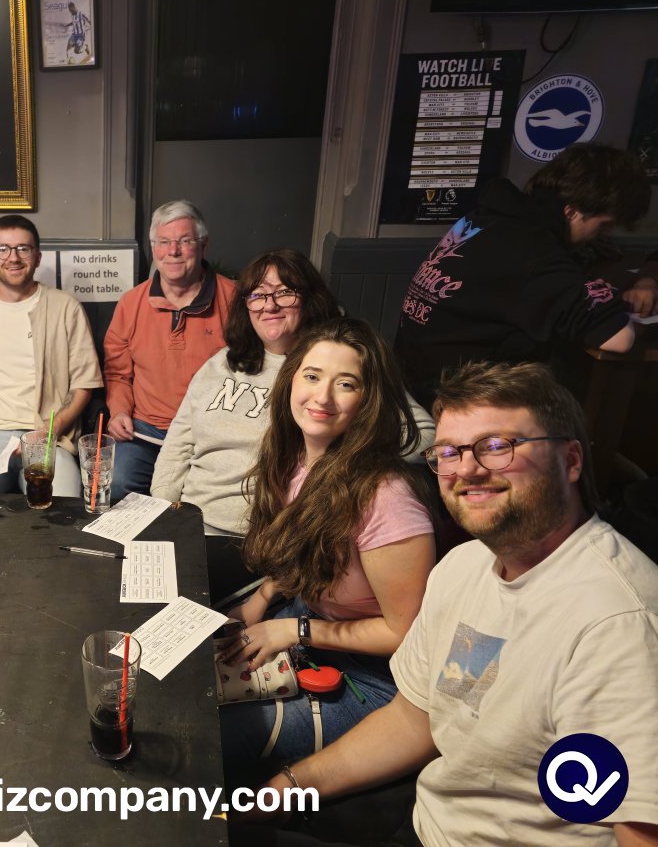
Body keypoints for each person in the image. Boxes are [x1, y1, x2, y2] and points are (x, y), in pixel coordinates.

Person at [251, 361, 658, 846]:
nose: (466, 469)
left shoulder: (618, 623)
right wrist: (286, 789)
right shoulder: (466, 565)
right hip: (428, 815)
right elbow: (416, 718)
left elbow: (638, 831)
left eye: (497, 446)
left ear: (571, 460)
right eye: (448, 452)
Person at [218, 317, 435, 777]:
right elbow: (302, 551)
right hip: (312, 622)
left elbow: (405, 634)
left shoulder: (387, 498)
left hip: (375, 676)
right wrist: (263, 598)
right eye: (313, 376)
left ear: (369, 401)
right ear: (291, 379)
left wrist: (292, 630)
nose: (322, 397)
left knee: (213, 734)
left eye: (346, 384)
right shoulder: (295, 456)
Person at [395, 143, 652, 410]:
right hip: (454, 404)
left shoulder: (487, 218)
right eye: (605, 225)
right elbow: (619, 339)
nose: (606, 234)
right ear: (572, 211)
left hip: (409, 389)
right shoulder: (535, 252)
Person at [150, 250, 343, 536]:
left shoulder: (332, 365)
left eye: (284, 293)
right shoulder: (221, 362)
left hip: (269, 535)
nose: (270, 305)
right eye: (258, 295)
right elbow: (179, 443)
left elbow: (411, 435)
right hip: (191, 523)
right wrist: (163, 510)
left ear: (309, 299)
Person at [0, 214, 102, 497]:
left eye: (23, 248)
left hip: (47, 438)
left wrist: (50, 431)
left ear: (37, 256)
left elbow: (84, 385)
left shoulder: (66, 308)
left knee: (62, 506)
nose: (13, 258)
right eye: (3, 249)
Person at [104, 200, 237, 500]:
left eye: (185, 241)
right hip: (144, 432)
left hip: (209, 432)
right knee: (118, 484)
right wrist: (119, 411)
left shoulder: (233, 299)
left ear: (203, 245)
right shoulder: (131, 303)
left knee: (201, 500)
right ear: (154, 248)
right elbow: (117, 373)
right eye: (163, 242)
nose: (173, 251)